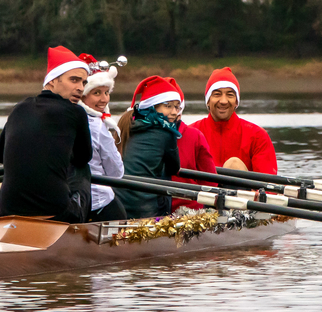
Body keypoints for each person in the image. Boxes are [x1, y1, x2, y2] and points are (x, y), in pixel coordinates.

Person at [0, 46, 93, 223]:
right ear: (53, 81)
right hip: (57, 214)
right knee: (82, 169)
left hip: (7, 212)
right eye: (74, 80)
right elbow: (84, 157)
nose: (80, 88)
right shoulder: (76, 112)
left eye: (84, 83)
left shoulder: (19, 108)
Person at [114, 75, 181, 219]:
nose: (174, 112)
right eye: (168, 106)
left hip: (117, 206)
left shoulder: (126, 123)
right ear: (153, 107)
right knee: (165, 177)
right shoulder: (166, 131)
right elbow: (174, 168)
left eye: (176, 106)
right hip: (146, 212)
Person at [192, 67, 277, 174]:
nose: (223, 101)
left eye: (230, 95)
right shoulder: (190, 134)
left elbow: (268, 185)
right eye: (217, 94)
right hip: (203, 189)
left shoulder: (258, 136)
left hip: (243, 189)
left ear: (236, 102)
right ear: (208, 101)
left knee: (233, 164)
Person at [77, 58, 127, 222]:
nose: (104, 100)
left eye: (106, 93)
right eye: (96, 93)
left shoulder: (63, 120)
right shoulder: (98, 127)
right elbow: (116, 173)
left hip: (73, 202)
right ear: (82, 95)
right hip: (99, 203)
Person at [164, 77, 218, 212]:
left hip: (189, 211)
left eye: (175, 107)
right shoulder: (141, 136)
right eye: (166, 106)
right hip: (152, 209)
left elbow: (211, 183)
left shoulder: (195, 136)